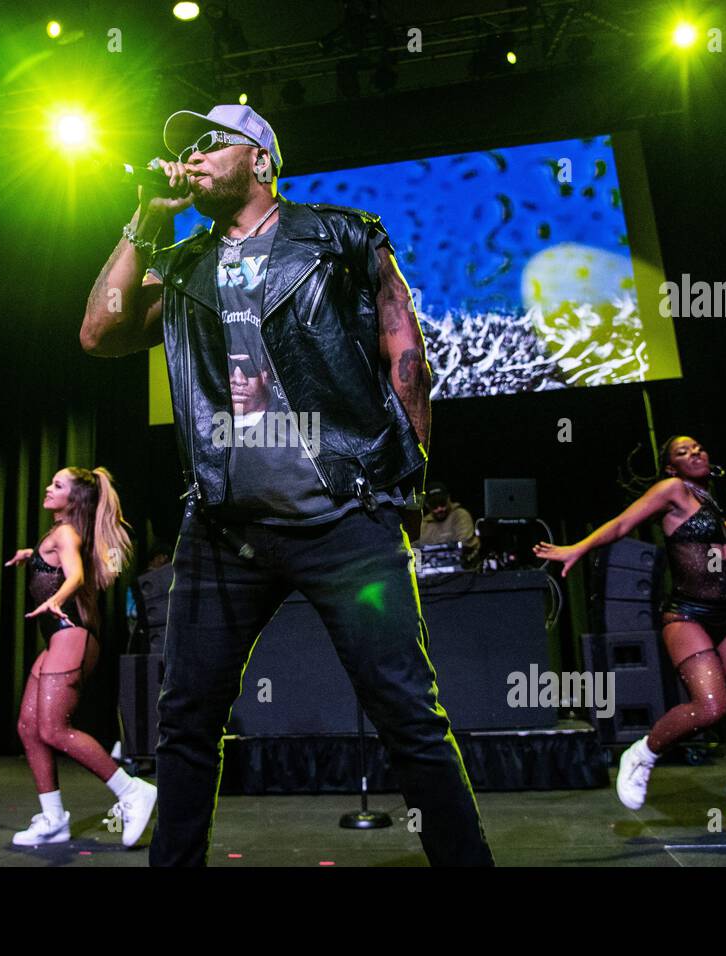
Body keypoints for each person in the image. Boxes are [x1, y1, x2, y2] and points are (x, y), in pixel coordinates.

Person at [80, 104, 494, 866]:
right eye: (188, 147)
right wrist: (144, 216)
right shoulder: (186, 264)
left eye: (212, 143)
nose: (195, 157)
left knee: (409, 716)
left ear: (261, 160)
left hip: (345, 517)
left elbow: (407, 361)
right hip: (226, 529)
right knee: (187, 724)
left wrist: (402, 490)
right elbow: (99, 333)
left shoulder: (341, 238)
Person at [534, 436, 726, 843]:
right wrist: (577, 548)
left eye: (699, 448)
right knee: (711, 707)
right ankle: (643, 753)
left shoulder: (708, 497)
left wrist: (723, 528)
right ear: (670, 467)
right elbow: (623, 523)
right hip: (688, 614)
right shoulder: (671, 489)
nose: (696, 453)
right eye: (682, 452)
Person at [4, 466, 157, 847]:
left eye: (57, 485)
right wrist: (33, 557)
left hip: (70, 637)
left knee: (53, 728)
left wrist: (55, 599)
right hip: (59, 638)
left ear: (74, 499)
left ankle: (132, 791)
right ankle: (54, 818)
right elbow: (60, 564)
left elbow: (74, 576)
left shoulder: (66, 533)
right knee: (29, 726)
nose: (47, 488)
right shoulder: (61, 533)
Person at [412, 480, 479, 559]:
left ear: (448, 499)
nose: (439, 509)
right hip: (432, 566)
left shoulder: (460, 514)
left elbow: (465, 544)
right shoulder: (425, 523)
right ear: (427, 505)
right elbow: (418, 545)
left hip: (463, 564)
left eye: (442, 503)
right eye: (434, 505)